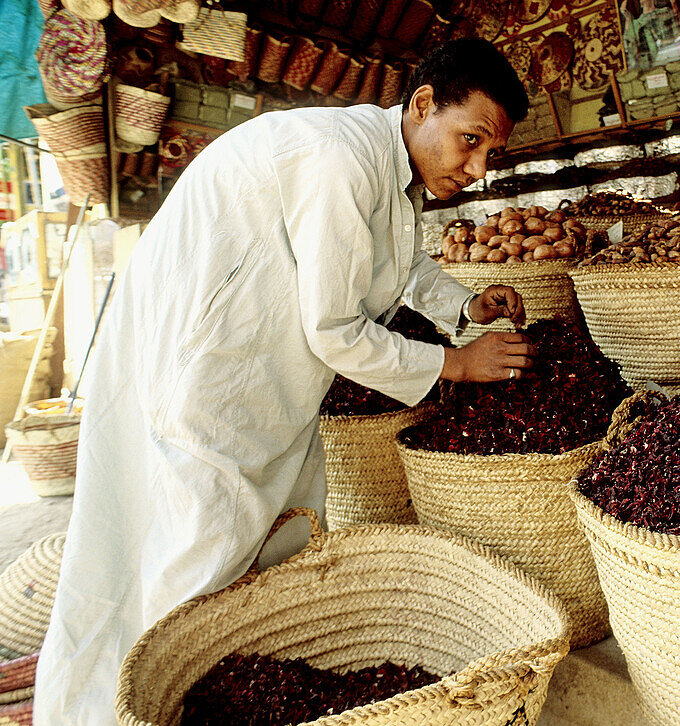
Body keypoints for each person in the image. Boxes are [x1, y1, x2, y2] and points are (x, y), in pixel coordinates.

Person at [35, 38, 534, 724]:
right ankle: (144, 705)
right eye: (469, 140)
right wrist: (457, 363)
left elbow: (395, 262)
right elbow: (334, 330)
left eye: (488, 152)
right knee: (201, 561)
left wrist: (463, 307)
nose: (476, 168)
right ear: (422, 105)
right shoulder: (340, 160)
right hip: (215, 374)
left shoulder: (388, 166)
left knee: (277, 547)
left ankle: (224, 697)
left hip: (268, 377)